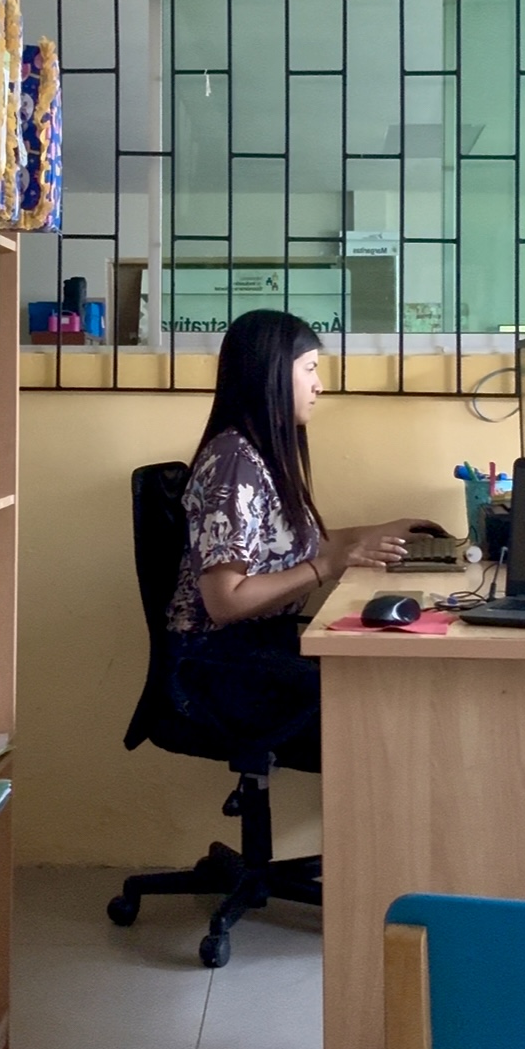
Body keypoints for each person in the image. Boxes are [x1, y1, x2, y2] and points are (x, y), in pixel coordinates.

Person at [165, 308, 443, 771]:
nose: (319, 385)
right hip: (214, 668)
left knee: (387, 689)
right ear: (272, 374)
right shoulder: (234, 463)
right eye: (310, 369)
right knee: (383, 714)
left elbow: (294, 546)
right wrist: (330, 565)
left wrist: (376, 532)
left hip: (255, 652)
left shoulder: (258, 454)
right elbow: (225, 602)